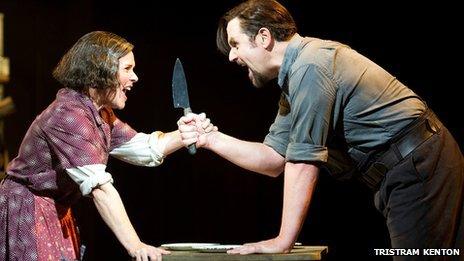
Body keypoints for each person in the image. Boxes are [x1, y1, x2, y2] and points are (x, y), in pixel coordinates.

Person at [178, 0, 464, 258]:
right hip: (410, 168)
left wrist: (283, 241)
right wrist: (209, 138)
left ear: (263, 37)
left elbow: (302, 162)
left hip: (418, 164)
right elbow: (273, 159)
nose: (231, 56)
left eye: (235, 44)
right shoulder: (297, 78)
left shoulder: (311, 67)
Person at [0, 31, 214, 261]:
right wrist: (135, 244)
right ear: (100, 70)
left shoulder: (99, 114)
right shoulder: (68, 115)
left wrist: (183, 135)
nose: (135, 78)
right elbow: (100, 188)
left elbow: (142, 147)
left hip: (54, 211)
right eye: (127, 69)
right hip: (27, 210)